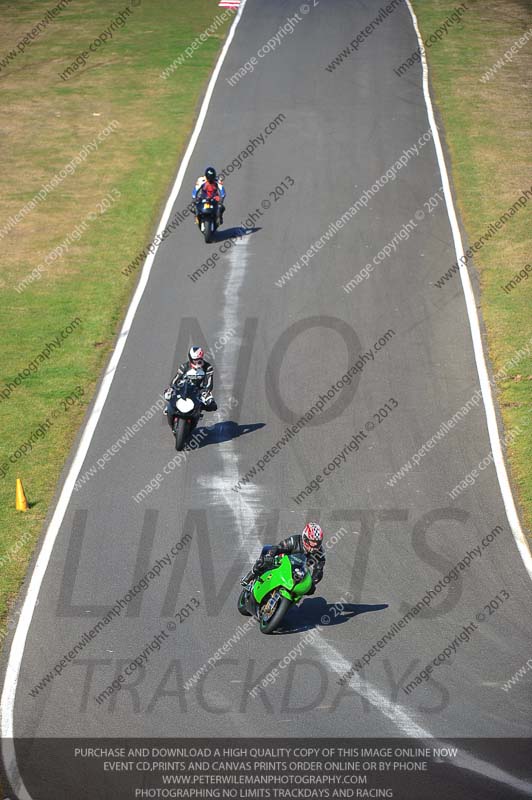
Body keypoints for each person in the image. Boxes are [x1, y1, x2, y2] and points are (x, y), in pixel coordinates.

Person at [241, 523, 326, 594]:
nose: (315, 545)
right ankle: (249, 577)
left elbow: (319, 569)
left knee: (310, 590)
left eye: (317, 543)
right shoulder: (294, 541)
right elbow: (278, 547)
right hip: (282, 562)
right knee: (264, 560)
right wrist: (270, 556)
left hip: (299, 571)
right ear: (305, 539)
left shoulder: (319, 553)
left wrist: (313, 581)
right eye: (313, 542)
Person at [165, 346, 217, 414]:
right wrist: (172, 388)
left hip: (198, 391)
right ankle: (170, 406)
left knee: (212, 406)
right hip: (183, 388)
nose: (197, 362)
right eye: (195, 360)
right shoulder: (184, 367)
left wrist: (206, 391)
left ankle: (198, 410)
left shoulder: (208, 367)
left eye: (199, 359)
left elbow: (209, 383)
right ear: (191, 358)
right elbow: (175, 380)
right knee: (167, 395)